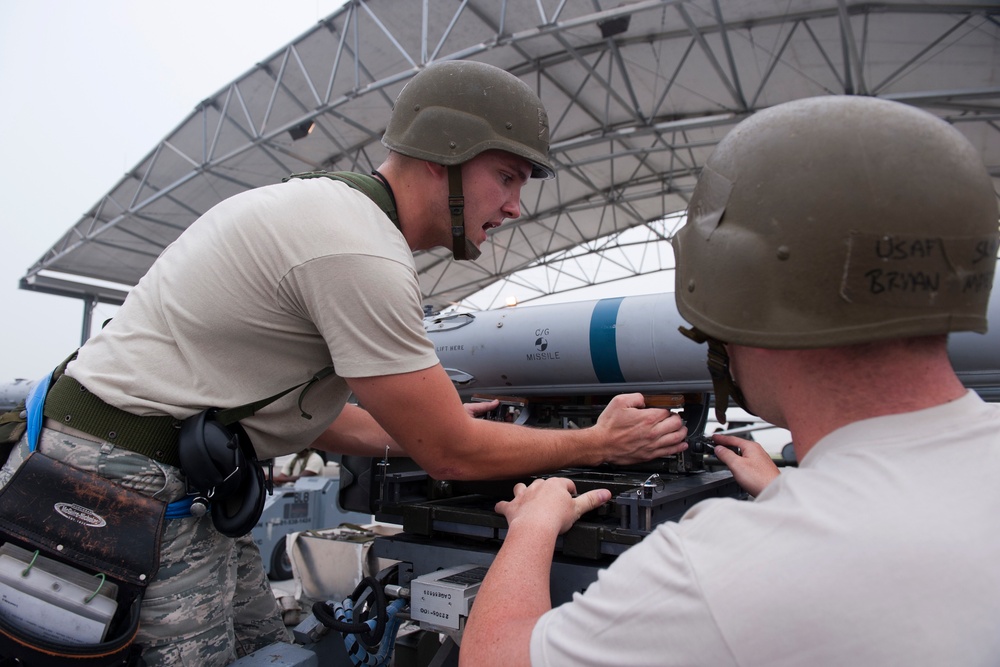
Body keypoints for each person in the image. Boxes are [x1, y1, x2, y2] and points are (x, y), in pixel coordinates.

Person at [0, 60, 687, 666]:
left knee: (265, 645)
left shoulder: (339, 214)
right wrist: (600, 441)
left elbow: (302, 415)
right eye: (505, 176)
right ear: (441, 157)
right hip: (120, 481)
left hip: (170, 475)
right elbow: (447, 454)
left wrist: (425, 422)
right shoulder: (361, 252)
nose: (514, 204)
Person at [461, 95, 1000, 666]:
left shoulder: (718, 572)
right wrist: (784, 491)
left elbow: (494, 658)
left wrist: (534, 525)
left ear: (726, 281)